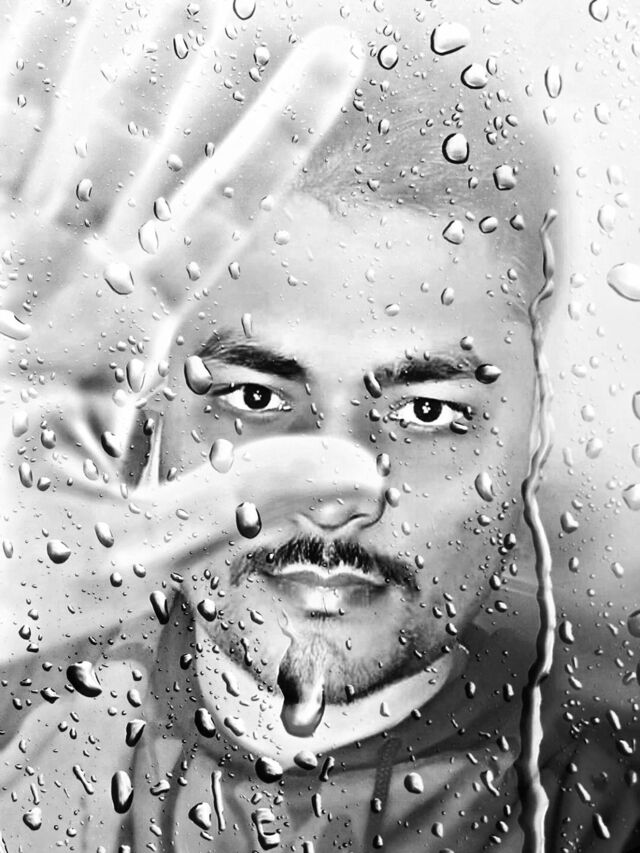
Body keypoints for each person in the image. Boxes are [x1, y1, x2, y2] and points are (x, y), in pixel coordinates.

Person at [0, 2, 638, 851]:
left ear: (534, 430)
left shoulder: (606, 795)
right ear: (152, 413)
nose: (334, 497)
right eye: (256, 398)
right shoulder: (30, 719)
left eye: (426, 411)